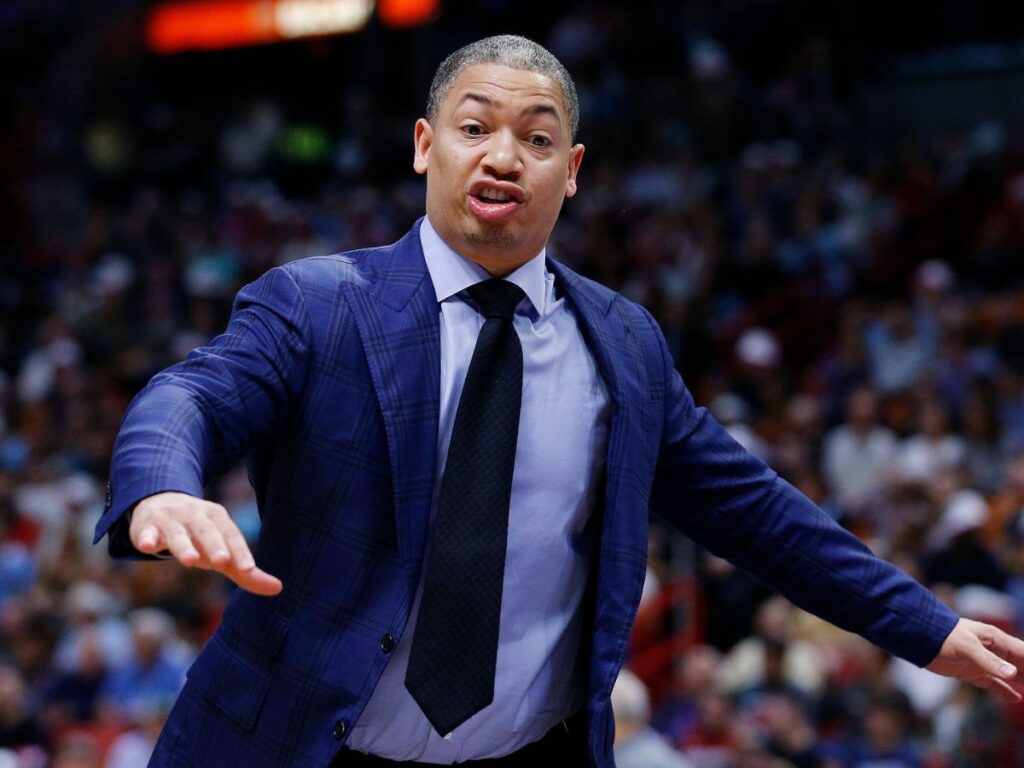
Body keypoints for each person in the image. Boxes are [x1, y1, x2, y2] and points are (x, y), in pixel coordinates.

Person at [93, 34, 1024, 768]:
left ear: (571, 170)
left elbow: (755, 512)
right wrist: (163, 486)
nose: (504, 156)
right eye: (474, 127)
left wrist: (925, 626)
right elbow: (193, 393)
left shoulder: (624, 343)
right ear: (425, 146)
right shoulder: (318, 304)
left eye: (537, 138)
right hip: (292, 747)